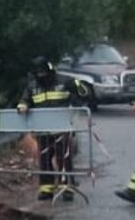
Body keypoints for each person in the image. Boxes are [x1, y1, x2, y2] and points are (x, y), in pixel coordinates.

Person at [18, 55, 92, 201]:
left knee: (63, 158)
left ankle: (67, 188)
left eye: (43, 72)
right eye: (38, 73)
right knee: (45, 159)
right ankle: (46, 189)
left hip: (61, 129)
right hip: (43, 130)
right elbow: (25, 99)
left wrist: (78, 86)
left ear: (49, 70)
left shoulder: (64, 81)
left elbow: (84, 94)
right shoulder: (33, 86)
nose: (41, 76)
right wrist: (23, 106)